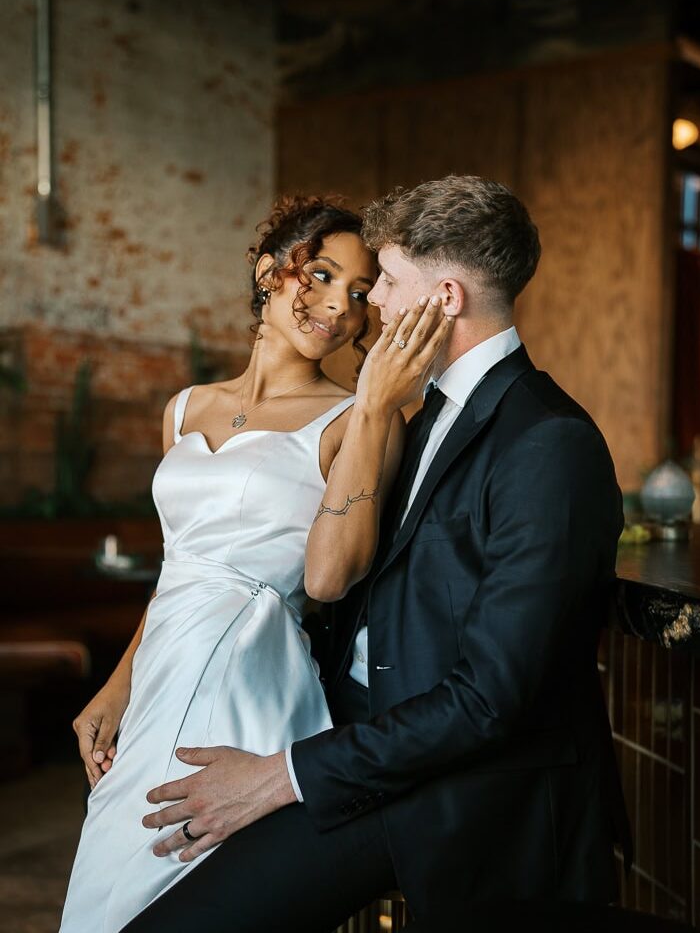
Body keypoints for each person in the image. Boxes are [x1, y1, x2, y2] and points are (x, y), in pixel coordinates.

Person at [123, 175, 631, 933]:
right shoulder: (425, 417)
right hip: (357, 749)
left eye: (387, 282)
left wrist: (282, 776)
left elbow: (490, 700)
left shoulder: (549, 443)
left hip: (462, 795)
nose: (373, 308)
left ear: (446, 299)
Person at [60, 195, 438, 932]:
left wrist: (371, 409)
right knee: (106, 897)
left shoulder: (357, 418)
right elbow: (184, 566)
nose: (337, 306)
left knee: (192, 894)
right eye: (320, 275)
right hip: (162, 672)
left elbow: (333, 577)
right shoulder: (184, 408)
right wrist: (117, 684)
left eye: (360, 294)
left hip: (246, 678)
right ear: (270, 273)